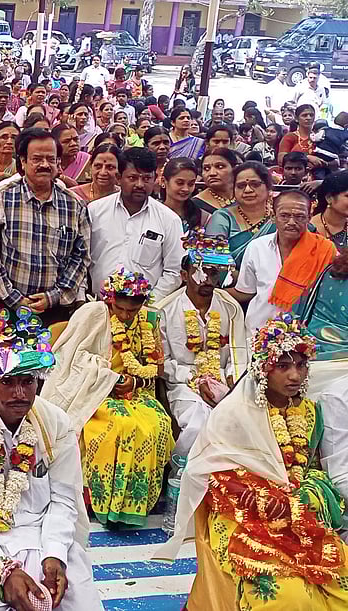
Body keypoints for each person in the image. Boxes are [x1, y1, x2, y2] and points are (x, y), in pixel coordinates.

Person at [158, 314, 348, 609]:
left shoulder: (310, 412)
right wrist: (268, 500)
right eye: (283, 366)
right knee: (286, 598)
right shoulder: (235, 414)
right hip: (242, 515)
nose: (294, 376)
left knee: (338, 583)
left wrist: (304, 494)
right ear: (263, 369)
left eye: (300, 365)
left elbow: (311, 468)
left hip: (297, 512)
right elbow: (213, 474)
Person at [0, 307, 99, 611]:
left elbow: (65, 500)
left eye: (27, 382)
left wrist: (55, 554)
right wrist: (4, 569)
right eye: (7, 382)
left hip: (47, 536)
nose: (19, 393)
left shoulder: (56, 423)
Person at [42, 269, 174, 527]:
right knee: (119, 426)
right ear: (110, 300)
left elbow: (156, 368)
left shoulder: (149, 320)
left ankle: (135, 507)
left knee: (158, 424)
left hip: (136, 392)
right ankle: (102, 506)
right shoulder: (93, 313)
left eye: (131, 311)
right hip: (96, 391)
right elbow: (70, 358)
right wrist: (107, 376)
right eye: (121, 309)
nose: (125, 316)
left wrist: (134, 381)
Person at [0, 127, 91, 325]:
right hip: (4, 308)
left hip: (54, 310)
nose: (44, 165)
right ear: (23, 161)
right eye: (37, 159)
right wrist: (14, 299)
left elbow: (80, 257)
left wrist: (54, 297)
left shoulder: (75, 205)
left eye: (51, 159)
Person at [156, 229, 248, 460]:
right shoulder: (164, 310)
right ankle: (182, 475)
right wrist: (196, 380)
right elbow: (162, 363)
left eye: (213, 273)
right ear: (184, 275)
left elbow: (238, 353)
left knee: (239, 421)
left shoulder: (230, 307)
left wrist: (230, 383)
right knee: (198, 422)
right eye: (201, 272)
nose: (208, 279)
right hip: (182, 384)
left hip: (227, 383)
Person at [230, 189, 338, 337]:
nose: (292, 222)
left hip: (304, 340)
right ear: (273, 217)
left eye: (299, 216)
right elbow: (245, 292)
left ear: (309, 217)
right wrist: (212, 293)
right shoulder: (257, 247)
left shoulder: (325, 251)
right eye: (285, 216)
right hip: (257, 335)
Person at [87, 146, 184, 300]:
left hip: (145, 309)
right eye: (132, 178)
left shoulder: (169, 220)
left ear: (155, 179)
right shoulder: (94, 211)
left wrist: (148, 302)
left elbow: (174, 271)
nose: (140, 184)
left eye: (146, 178)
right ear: (119, 178)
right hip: (98, 304)